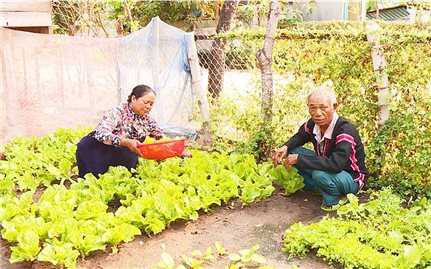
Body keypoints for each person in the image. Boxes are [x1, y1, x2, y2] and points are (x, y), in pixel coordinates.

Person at [272, 86, 368, 212]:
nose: (317, 113)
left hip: (351, 177)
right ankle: (321, 187)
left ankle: (334, 199)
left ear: (334, 107)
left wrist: (300, 159)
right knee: (293, 152)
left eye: (323, 107)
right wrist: (285, 146)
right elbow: (301, 136)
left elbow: (336, 164)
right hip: (328, 168)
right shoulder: (313, 124)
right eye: (313, 108)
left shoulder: (345, 130)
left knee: (319, 173)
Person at [76, 84, 170, 178]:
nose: (149, 106)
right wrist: (125, 142)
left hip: (121, 154)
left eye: (151, 104)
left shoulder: (148, 119)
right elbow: (102, 133)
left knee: (126, 169)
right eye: (146, 102)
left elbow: (161, 137)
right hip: (98, 150)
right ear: (133, 98)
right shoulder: (117, 112)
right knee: (92, 179)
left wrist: (179, 149)